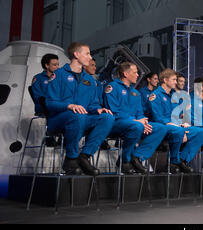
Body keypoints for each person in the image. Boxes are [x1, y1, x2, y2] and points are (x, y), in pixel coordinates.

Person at [46, 42, 115, 176]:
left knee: (107, 117)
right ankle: (71, 158)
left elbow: (93, 104)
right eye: (87, 54)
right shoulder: (58, 75)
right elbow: (50, 103)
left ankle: (84, 156)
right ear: (76, 55)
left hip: (81, 119)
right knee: (78, 114)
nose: (90, 57)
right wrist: (69, 106)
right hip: (59, 119)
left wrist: (98, 110)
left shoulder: (89, 80)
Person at [103, 62, 168, 174]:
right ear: (125, 74)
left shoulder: (135, 93)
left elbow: (140, 113)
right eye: (135, 72)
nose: (138, 75)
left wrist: (144, 122)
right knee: (136, 125)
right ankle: (125, 160)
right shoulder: (112, 87)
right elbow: (113, 112)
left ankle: (137, 157)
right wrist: (136, 121)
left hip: (135, 125)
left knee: (161, 128)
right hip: (116, 124)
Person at [149, 68, 203, 173]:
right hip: (163, 126)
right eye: (173, 80)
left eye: (176, 80)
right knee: (179, 131)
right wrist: (175, 125)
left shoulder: (173, 96)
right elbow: (157, 117)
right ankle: (173, 161)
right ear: (165, 80)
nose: (176, 82)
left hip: (175, 126)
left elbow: (177, 114)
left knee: (200, 132)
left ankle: (182, 160)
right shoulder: (155, 95)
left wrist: (182, 122)